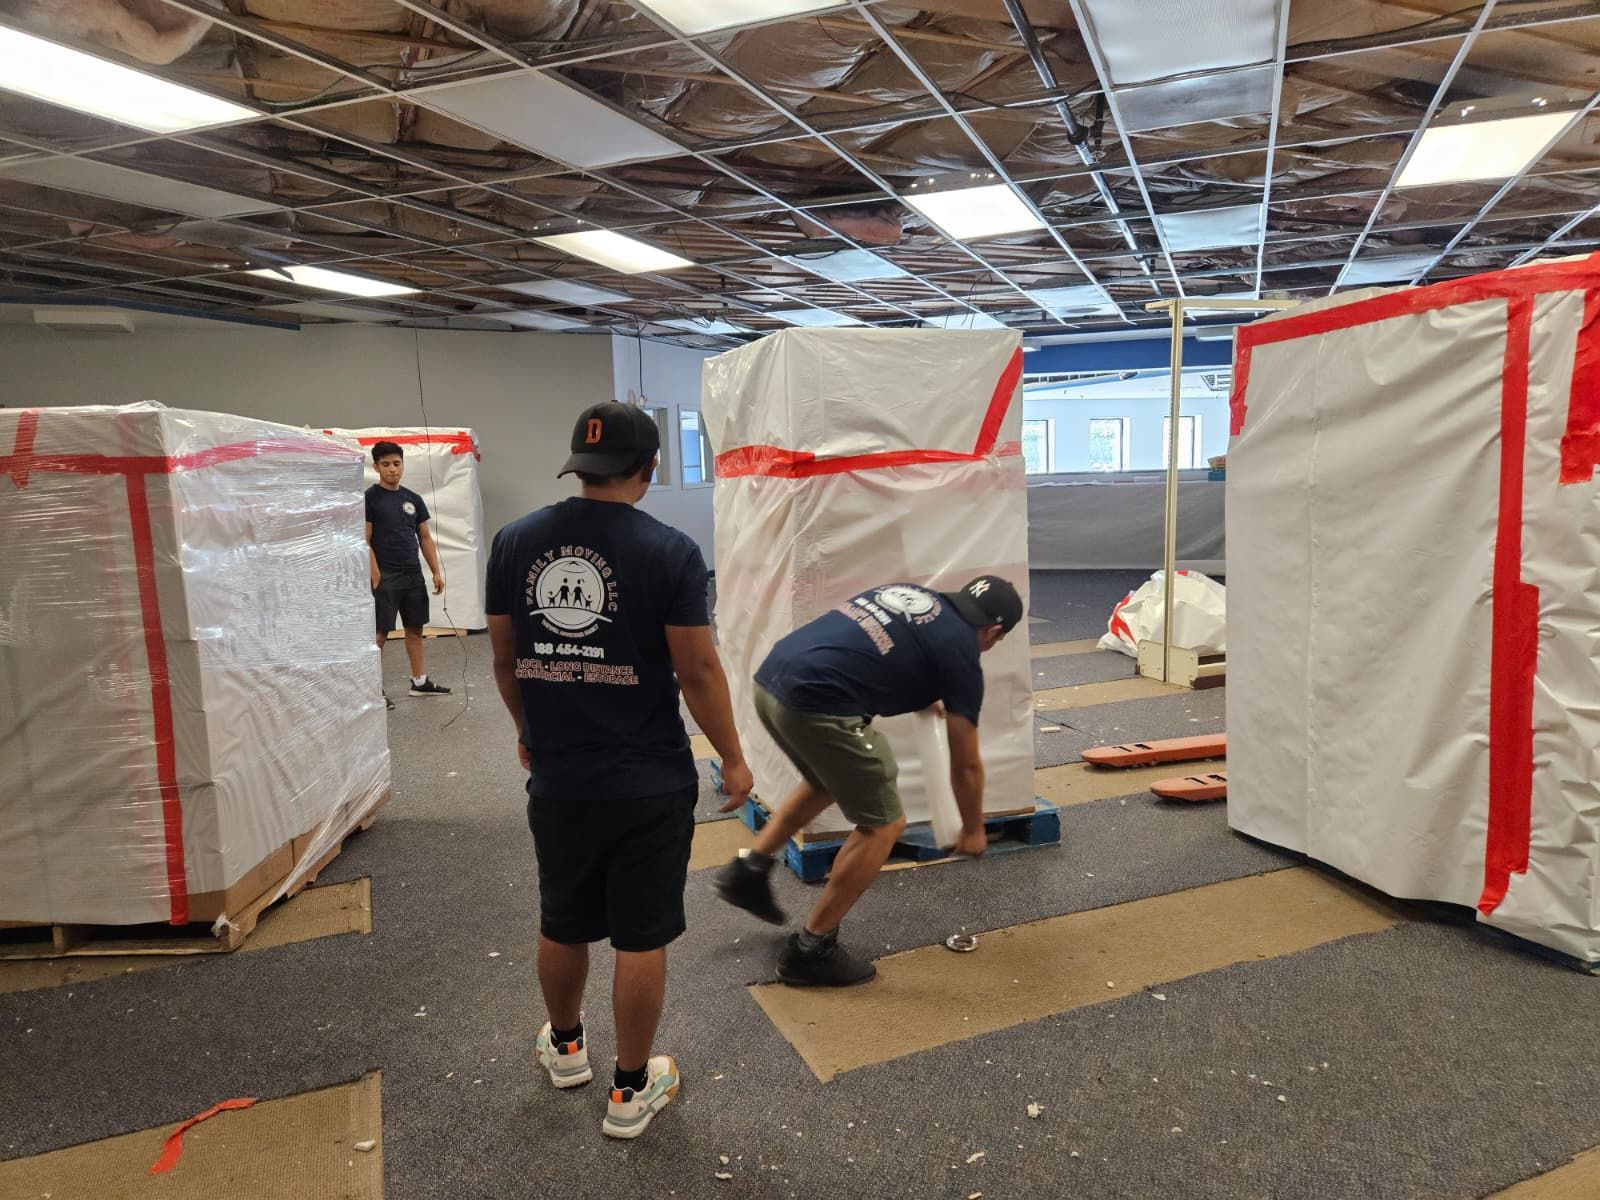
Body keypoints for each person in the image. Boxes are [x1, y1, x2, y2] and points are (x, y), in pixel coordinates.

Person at [486, 401, 754, 1140]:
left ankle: (566, 1048)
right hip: (647, 778)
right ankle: (630, 1091)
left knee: (563, 917)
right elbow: (698, 669)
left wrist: (527, 731)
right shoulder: (670, 551)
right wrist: (732, 757)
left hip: (561, 775)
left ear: (579, 463)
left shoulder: (513, 543)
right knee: (640, 935)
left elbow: (505, 659)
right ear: (650, 468)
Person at [714, 576, 1023, 987]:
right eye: (995, 642)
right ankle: (811, 950)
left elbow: (880, 651)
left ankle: (749, 871)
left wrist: (924, 689)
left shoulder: (917, 596)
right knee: (883, 825)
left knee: (826, 780)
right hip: (818, 704)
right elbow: (966, 766)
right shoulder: (962, 652)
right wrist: (972, 829)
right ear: (995, 631)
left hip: (773, 682)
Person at [365, 440, 451, 708]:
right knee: (380, 635)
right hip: (386, 576)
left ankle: (419, 681)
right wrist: (375, 573)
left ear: (403, 464)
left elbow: (424, 537)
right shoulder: (370, 498)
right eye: (386, 465)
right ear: (376, 466)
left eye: (396, 464)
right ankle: (371, 690)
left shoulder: (413, 499)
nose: (392, 470)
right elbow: (365, 539)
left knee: (415, 629)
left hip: (412, 574)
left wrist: (436, 571)